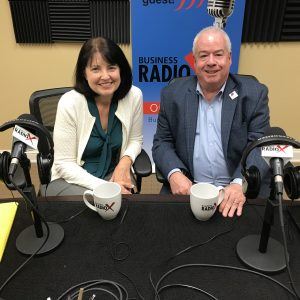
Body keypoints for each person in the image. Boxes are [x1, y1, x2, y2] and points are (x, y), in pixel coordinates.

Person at [152, 26, 270, 217]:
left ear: (229, 58)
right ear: (194, 61)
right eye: (204, 55)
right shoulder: (172, 94)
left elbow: (259, 145)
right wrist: (174, 174)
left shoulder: (254, 93)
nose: (211, 62)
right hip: (190, 188)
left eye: (218, 54)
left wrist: (239, 183)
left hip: (237, 188)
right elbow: (161, 142)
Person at [45, 37, 143, 196]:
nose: (105, 76)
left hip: (114, 176)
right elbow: (64, 164)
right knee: (92, 212)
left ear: (121, 70)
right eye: (96, 69)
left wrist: (125, 162)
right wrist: (106, 189)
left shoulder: (134, 96)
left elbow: (135, 140)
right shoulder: (69, 103)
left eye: (111, 68)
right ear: (84, 73)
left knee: (125, 213)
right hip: (72, 179)